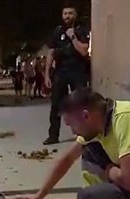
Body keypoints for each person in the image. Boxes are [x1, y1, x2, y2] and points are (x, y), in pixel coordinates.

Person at [43, 3, 91, 145]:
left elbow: (83, 51)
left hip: (78, 71)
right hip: (61, 72)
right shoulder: (57, 31)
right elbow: (51, 53)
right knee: (56, 105)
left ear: (75, 15)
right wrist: (47, 74)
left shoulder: (81, 30)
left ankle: (84, 133)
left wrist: (73, 38)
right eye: (65, 14)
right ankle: (53, 135)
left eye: (70, 13)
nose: (67, 16)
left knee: (81, 103)